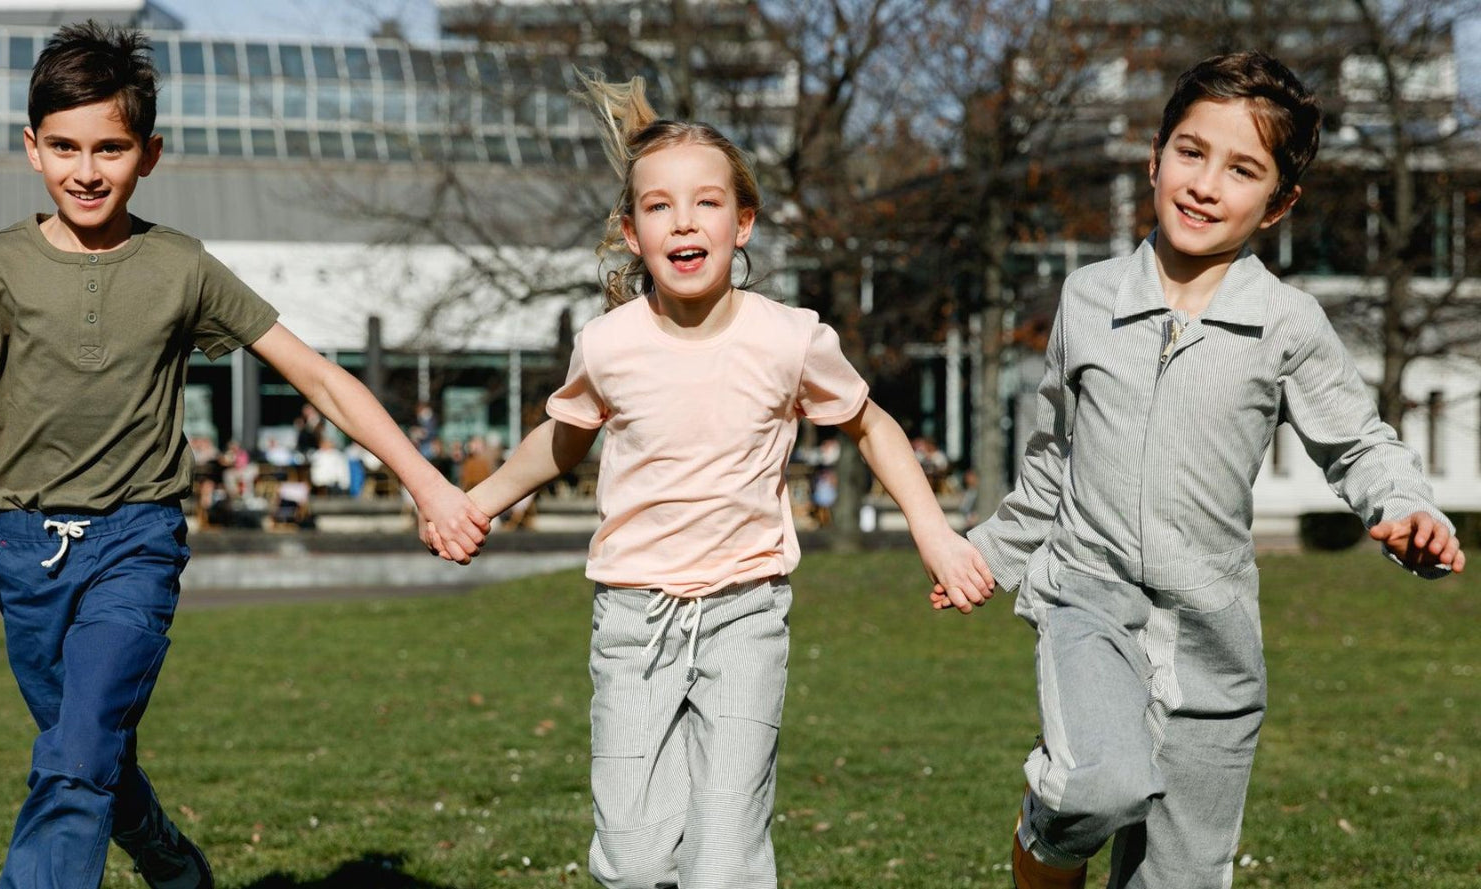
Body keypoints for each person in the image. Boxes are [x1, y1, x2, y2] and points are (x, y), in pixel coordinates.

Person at [0, 21, 490, 889]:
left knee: (74, 754)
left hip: (138, 541)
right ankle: (169, 860)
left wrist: (427, 482)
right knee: (82, 749)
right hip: (25, 549)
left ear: (150, 153)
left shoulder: (181, 268)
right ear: (30, 148)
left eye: (110, 148)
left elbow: (314, 375)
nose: (86, 170)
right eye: (63, 147)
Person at [434, 72, 995, 889]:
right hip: (632, 619)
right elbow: (563, 440)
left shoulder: (791, 338)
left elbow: (872, 426)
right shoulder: (607, 344)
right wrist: (475, 502)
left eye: (706, 202)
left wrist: (936, 535)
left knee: (724, 859)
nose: (684, 220)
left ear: (744, 222)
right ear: (631, 232)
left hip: (745, 613)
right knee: (631, 859)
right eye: (659, 205)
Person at [960, 51, 1467, 889]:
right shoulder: (1087, 299)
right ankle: (1041, 841)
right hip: (1092, 600)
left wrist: (1409, 506)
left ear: (1279, 204)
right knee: (1098, 785)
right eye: (1191, 152)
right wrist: (992, 550)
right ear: (1155, 156)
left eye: (1242, 169)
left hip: (1213, 637)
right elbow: (1054, 454)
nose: (1204, 184)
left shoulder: (1287, 324)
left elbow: (1358, 443)